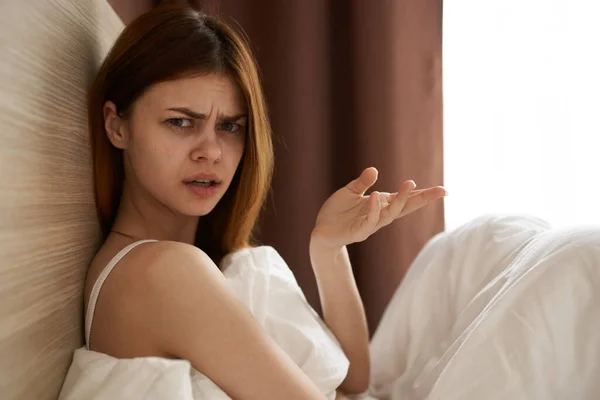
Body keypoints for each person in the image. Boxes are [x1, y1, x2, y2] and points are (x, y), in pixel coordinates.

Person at [78, 4, 447, 400]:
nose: (212, 151)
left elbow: (351, 381)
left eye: (229, 126)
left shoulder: (185, 263)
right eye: (180, 122)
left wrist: (328, 249)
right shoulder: (162, 271)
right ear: (117, 125)